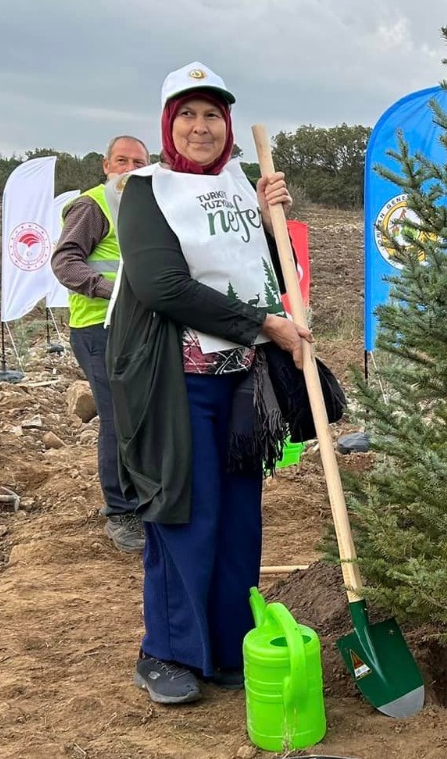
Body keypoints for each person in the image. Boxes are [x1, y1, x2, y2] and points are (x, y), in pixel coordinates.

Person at [107, 63, 315, 705]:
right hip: (177, 384)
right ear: (169, 124)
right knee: (184, 514)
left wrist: (269, 217)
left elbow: (267, 269)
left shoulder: (237, 185)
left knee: (238, 522)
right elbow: (160, 285)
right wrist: (263, 326)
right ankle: (168, 652)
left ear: (227, 127)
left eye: (213, 115)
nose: (202, 127)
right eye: (188, 114)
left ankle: (227, 648)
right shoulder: (147, 191)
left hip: (241, 384)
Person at [52, 135, 151, 552]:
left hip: (135, 327)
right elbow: (64, 261)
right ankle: (120, 512)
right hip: (98, 327)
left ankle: (143, 501)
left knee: (140, 418)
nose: (129, 169)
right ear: (106, 164)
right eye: (122, 161)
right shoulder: (94, 205)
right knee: (116, 419)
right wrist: (110, 289)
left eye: (139, 163)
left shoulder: (144, 206)